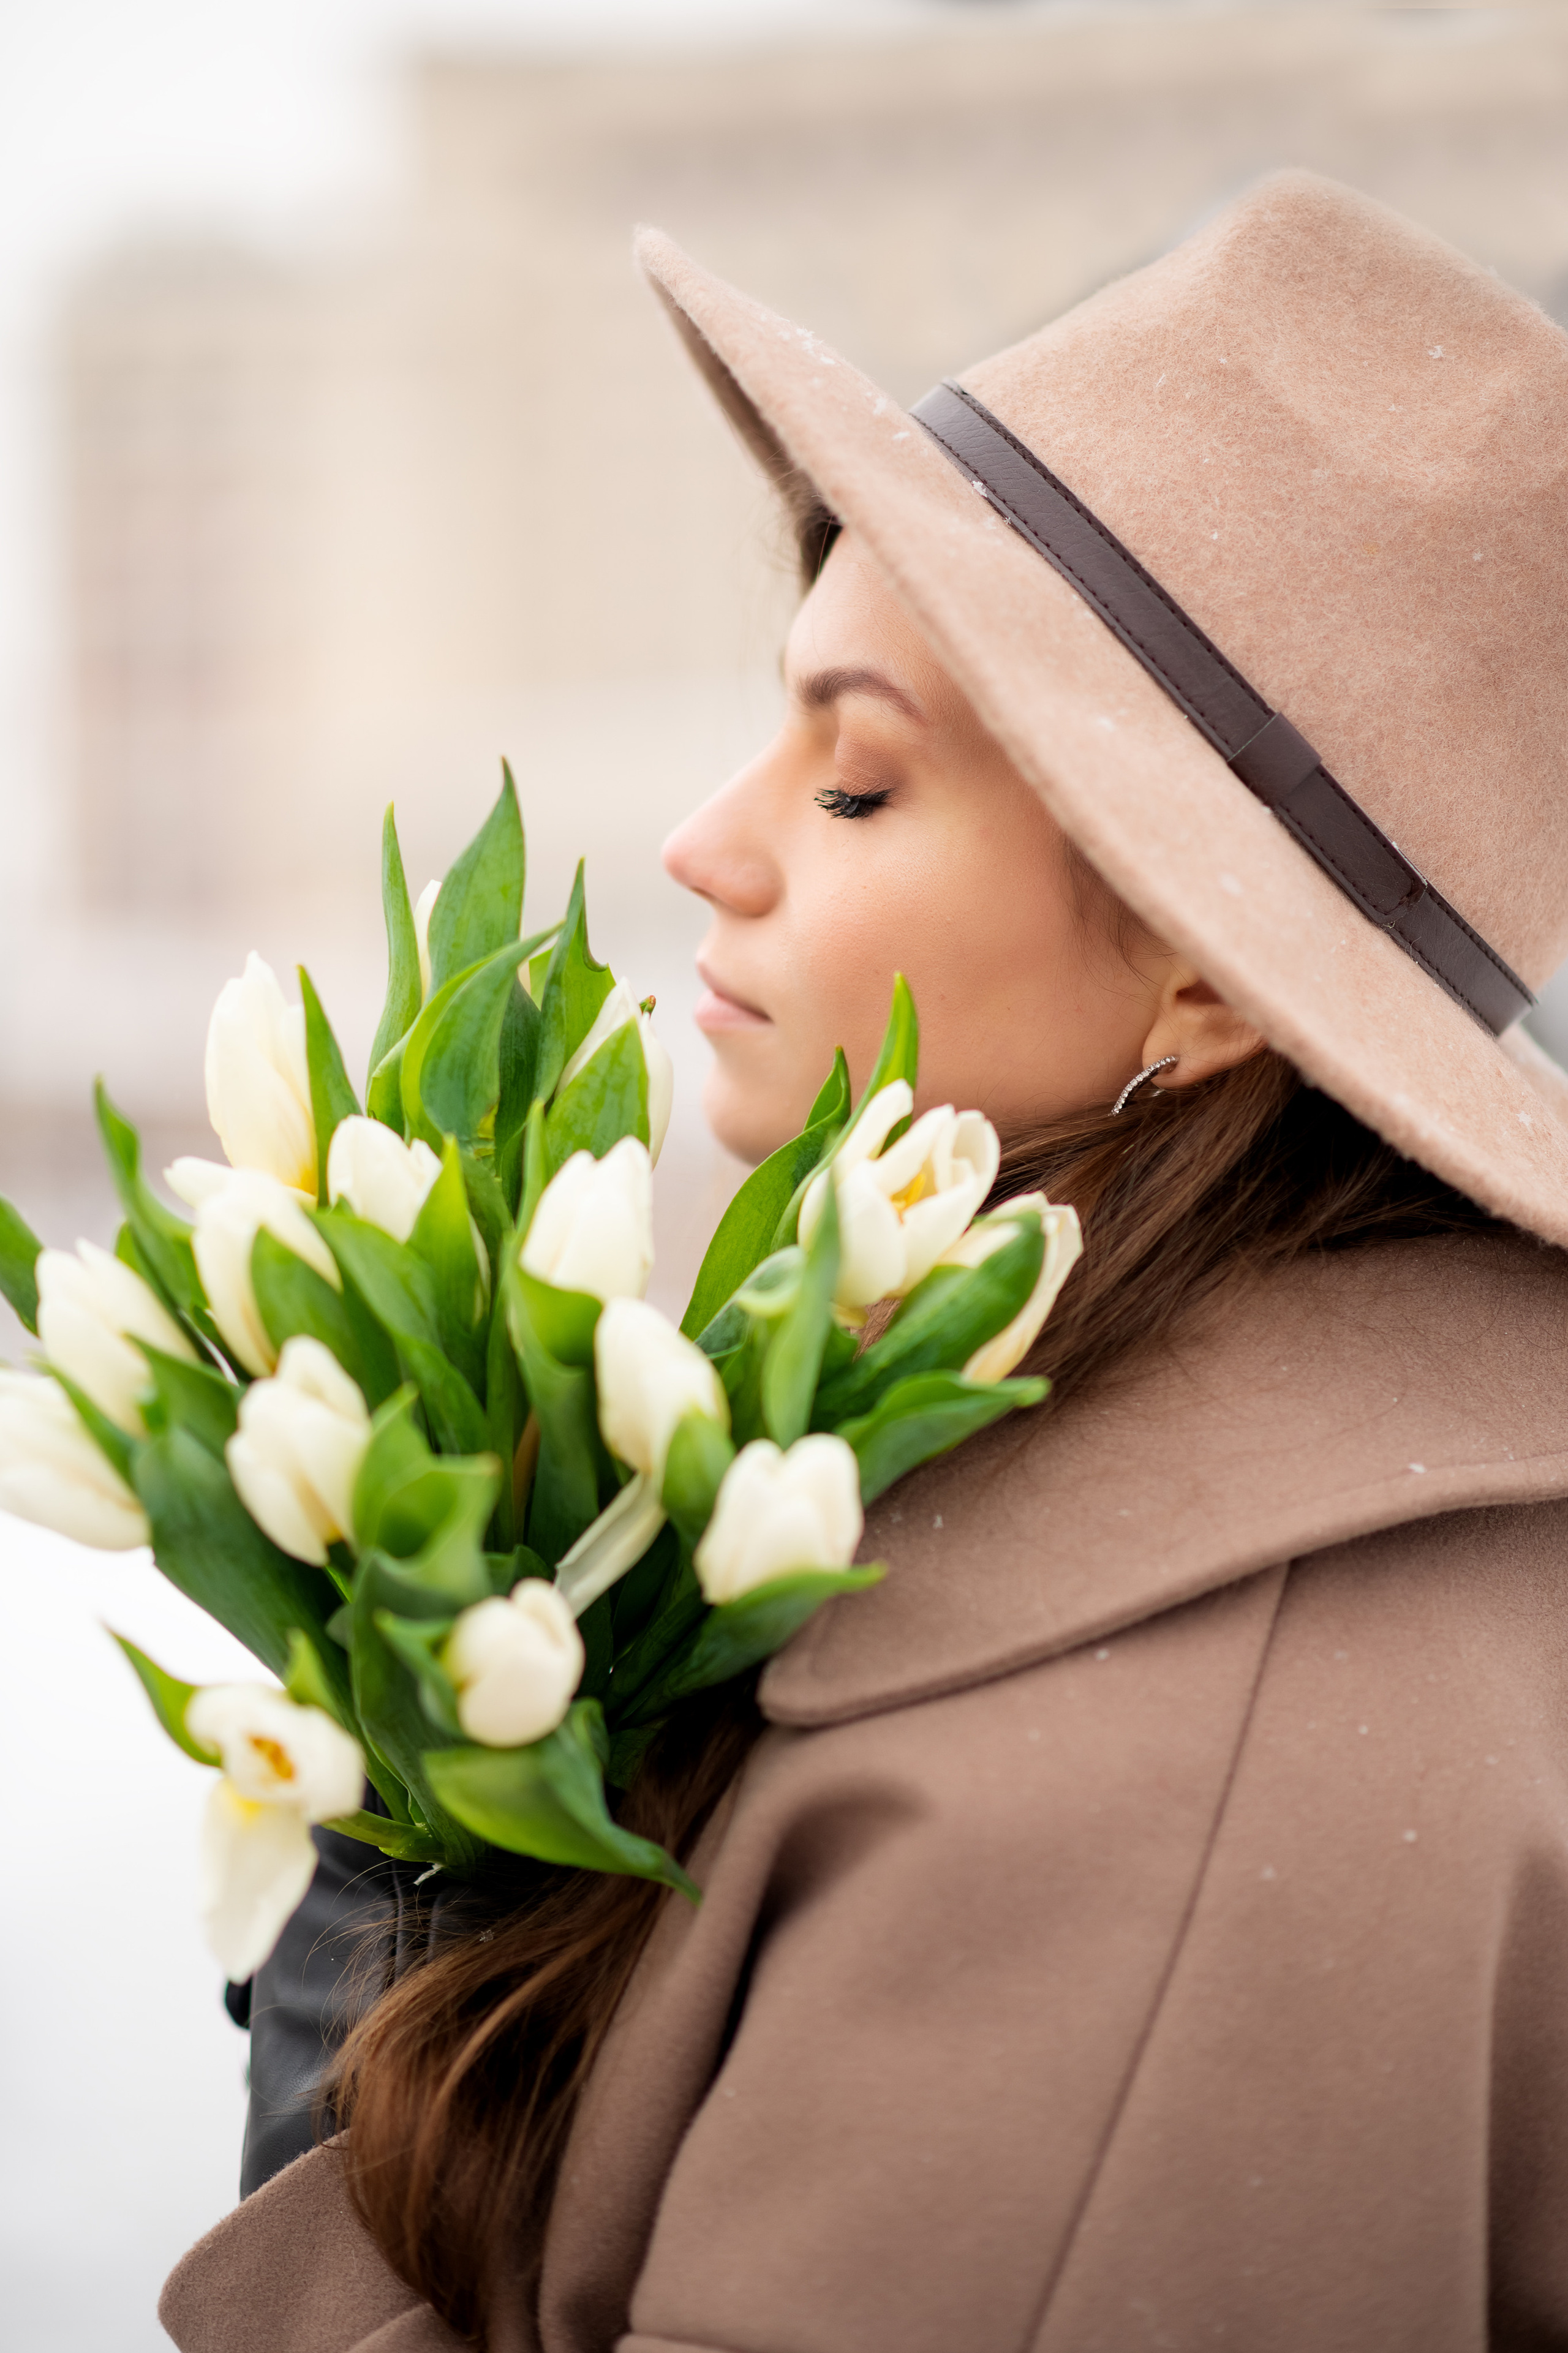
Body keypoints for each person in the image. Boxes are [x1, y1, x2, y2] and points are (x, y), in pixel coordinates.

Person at [160, 170, 1568, 2352]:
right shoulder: (1119, 1487)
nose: (704, 844)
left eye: (859, 786)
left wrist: (375, 2096)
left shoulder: (1154, 1780)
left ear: (1202, 975)